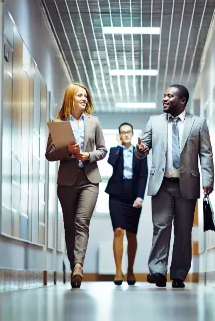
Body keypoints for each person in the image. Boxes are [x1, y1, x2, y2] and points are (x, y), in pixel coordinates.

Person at [136, 84, 214, 288]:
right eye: (164, 96)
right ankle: (158, 271)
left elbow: (205, 153)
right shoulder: (154, 122)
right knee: (161, 227)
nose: (164, 99)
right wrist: (142, 150)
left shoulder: (198, 123)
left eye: (170, 96)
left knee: (183, 230)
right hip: (162, 184)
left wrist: (208, 179)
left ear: (182, 101)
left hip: (187, 184)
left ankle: (178, 274)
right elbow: (142, 148)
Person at [45, 82, 107, 288]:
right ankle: (74, 267)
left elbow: (103, 150)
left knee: (82, 221)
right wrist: (68, 151)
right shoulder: (59, 123)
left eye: (86, 96)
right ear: (70, 98)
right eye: (80, 95)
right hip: (66, 181)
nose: (84, 99)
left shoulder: (94, 122)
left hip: (89, 179)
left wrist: (89, 155)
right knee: (69, 224)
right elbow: (49, 154)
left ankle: (79, 266)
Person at [105, 122, 148, 286]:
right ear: (120, 135)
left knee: (131, 234)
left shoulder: (140, 153)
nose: (126, 135)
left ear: (132, 133)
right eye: (123, 132)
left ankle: (130, 270)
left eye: (128, 132)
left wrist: (140, 197)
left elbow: (143, 175)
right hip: (116, 195)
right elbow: (111, 162)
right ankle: (118, 271)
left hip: (133, 197)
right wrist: (119, 146)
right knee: (118, 231)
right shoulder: (115, 151)